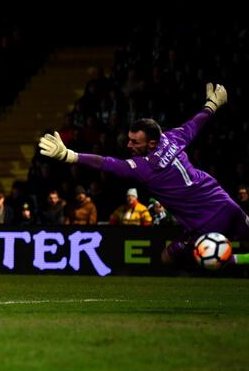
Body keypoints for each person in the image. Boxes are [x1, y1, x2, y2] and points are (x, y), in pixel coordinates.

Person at [40, 83, 249, 266]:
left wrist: (70, 155)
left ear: (151, 143)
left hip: (201, 223)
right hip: (223, 202)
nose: (128, 145)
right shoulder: (172, 138)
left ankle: (228, 261)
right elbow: (195, 124)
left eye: (134, 142)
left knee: (167, 258)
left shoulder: (143, 167)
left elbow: (106, 163)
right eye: (129, 139)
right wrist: (212, 104)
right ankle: (231, 260)